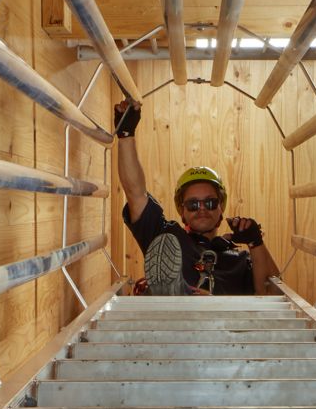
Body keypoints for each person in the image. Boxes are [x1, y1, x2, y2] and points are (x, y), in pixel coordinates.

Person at [113, 98, 281, 296]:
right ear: (182, 212)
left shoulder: (240, 260)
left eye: (210, 202)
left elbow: (275, 295)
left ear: (221, 208)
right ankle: (179, 297)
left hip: (226, 325)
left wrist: (256, 243)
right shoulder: (166, 237)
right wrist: (125, 134)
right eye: (193, 204)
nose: (202, 208)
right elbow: (135, 193)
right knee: (167, 280)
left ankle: (190, 300)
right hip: (173, 324)